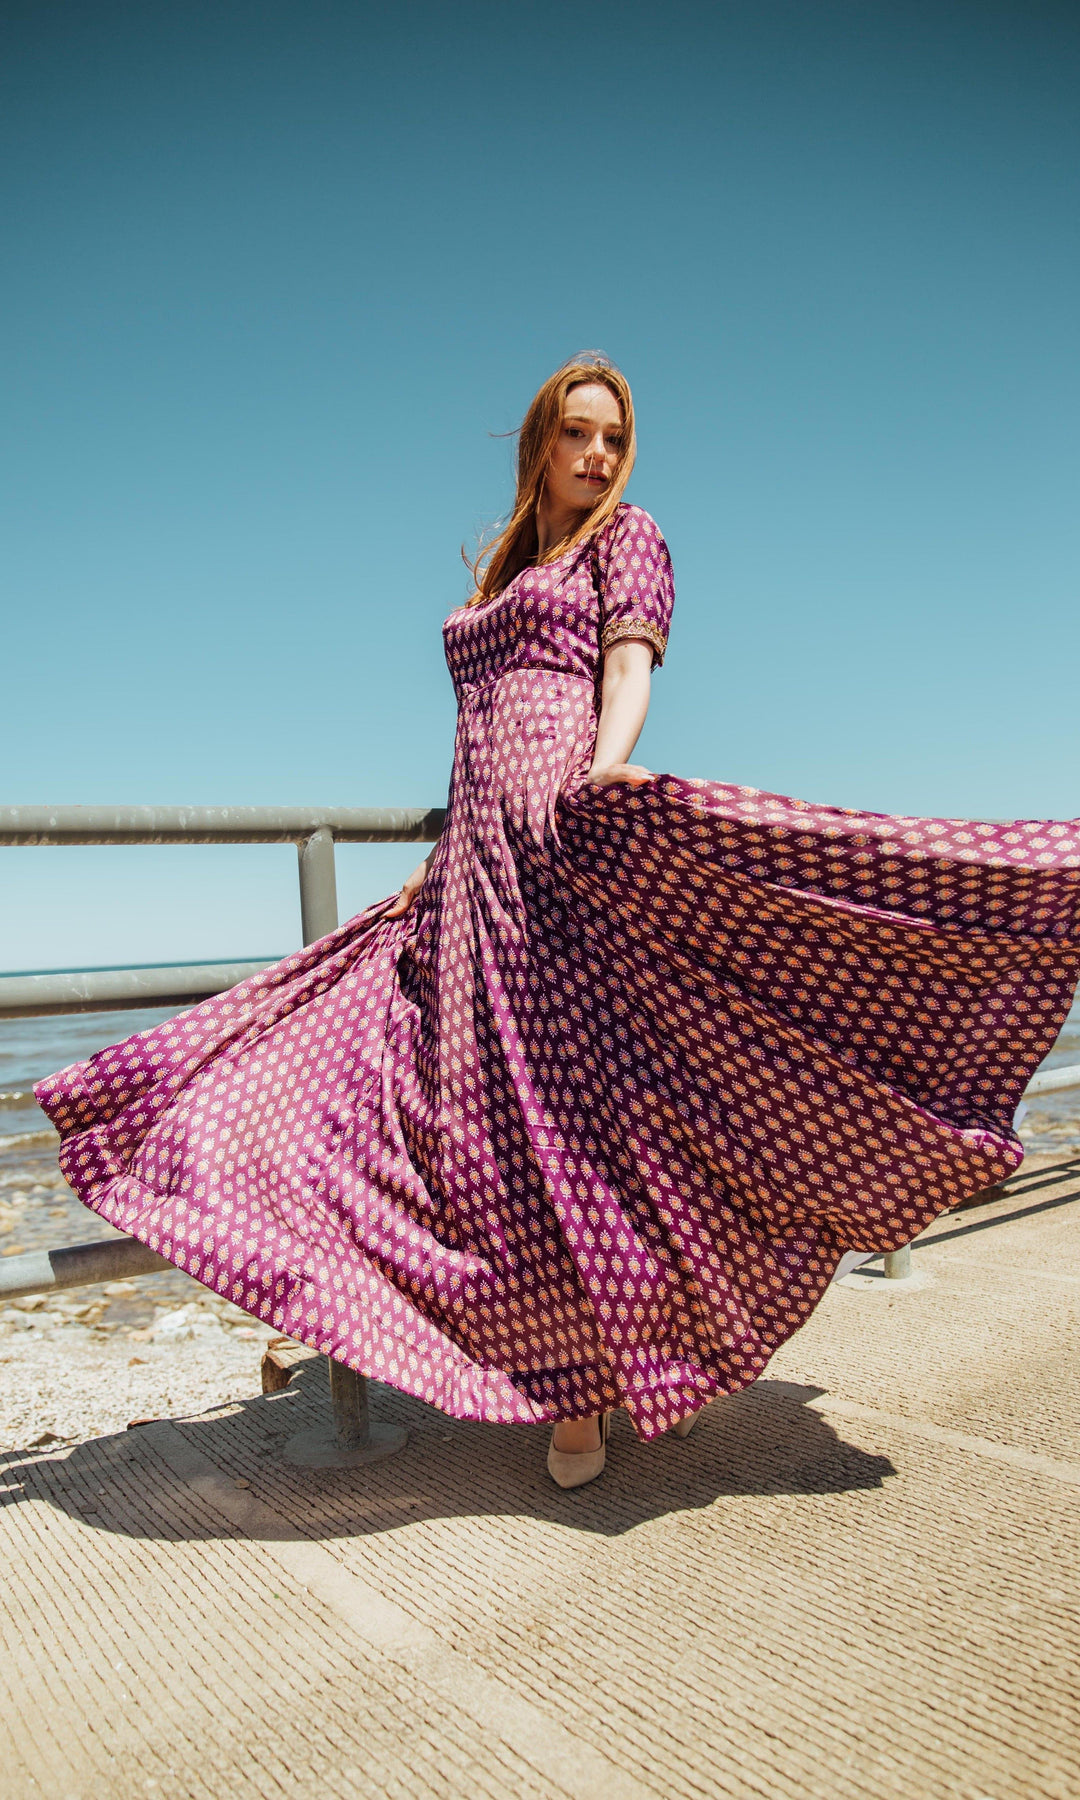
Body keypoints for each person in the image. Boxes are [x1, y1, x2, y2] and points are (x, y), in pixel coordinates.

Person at [36, 354, 1080, 1490]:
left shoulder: (628, 538)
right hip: (472, 871)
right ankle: (473, 1331)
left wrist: (606, 766)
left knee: (577, 1134)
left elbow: (628, 668)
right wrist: (440, 857)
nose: (596, 454)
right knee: (451, 1126)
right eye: (578, 432)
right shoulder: (505, 570)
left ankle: (589, 1392)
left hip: (558, 844)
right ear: (539, 439)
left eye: (613, 438)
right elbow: (469, 734)